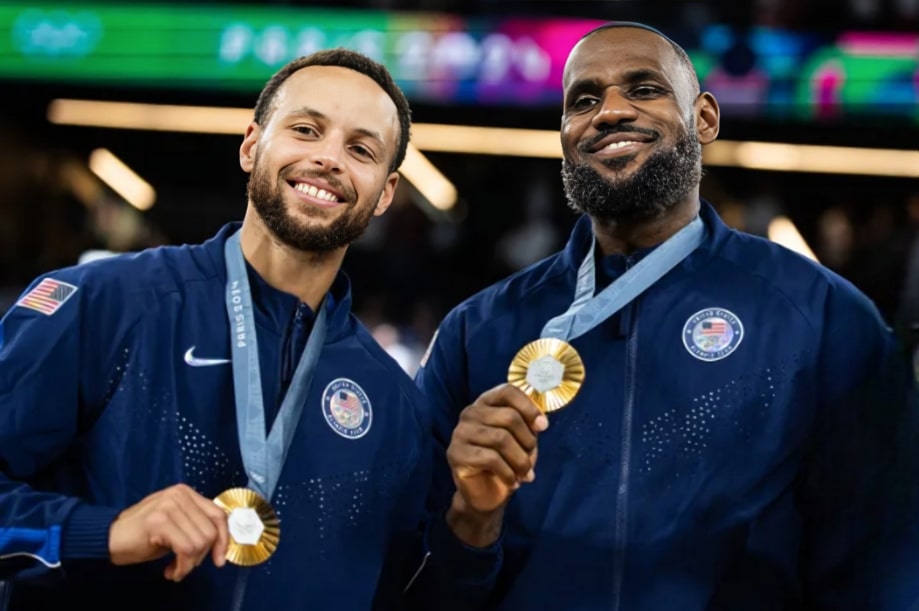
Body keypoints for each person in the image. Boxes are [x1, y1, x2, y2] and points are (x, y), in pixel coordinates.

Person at [415, 22, 919, 610]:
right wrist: (470, 521)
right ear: (564, 136)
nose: (608, 112)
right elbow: (413, 577)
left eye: (644, 89)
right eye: (583, 100)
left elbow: (881, 564)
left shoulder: (822, 317)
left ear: (704, 118)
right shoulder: (479, 332)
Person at [0, 48, 434, 610]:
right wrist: (98, 532)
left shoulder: (394, 403)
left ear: (386, 193)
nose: (329, 158)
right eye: (306, 129)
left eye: (360, 149)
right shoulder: (108, 305)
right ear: (251, 145)